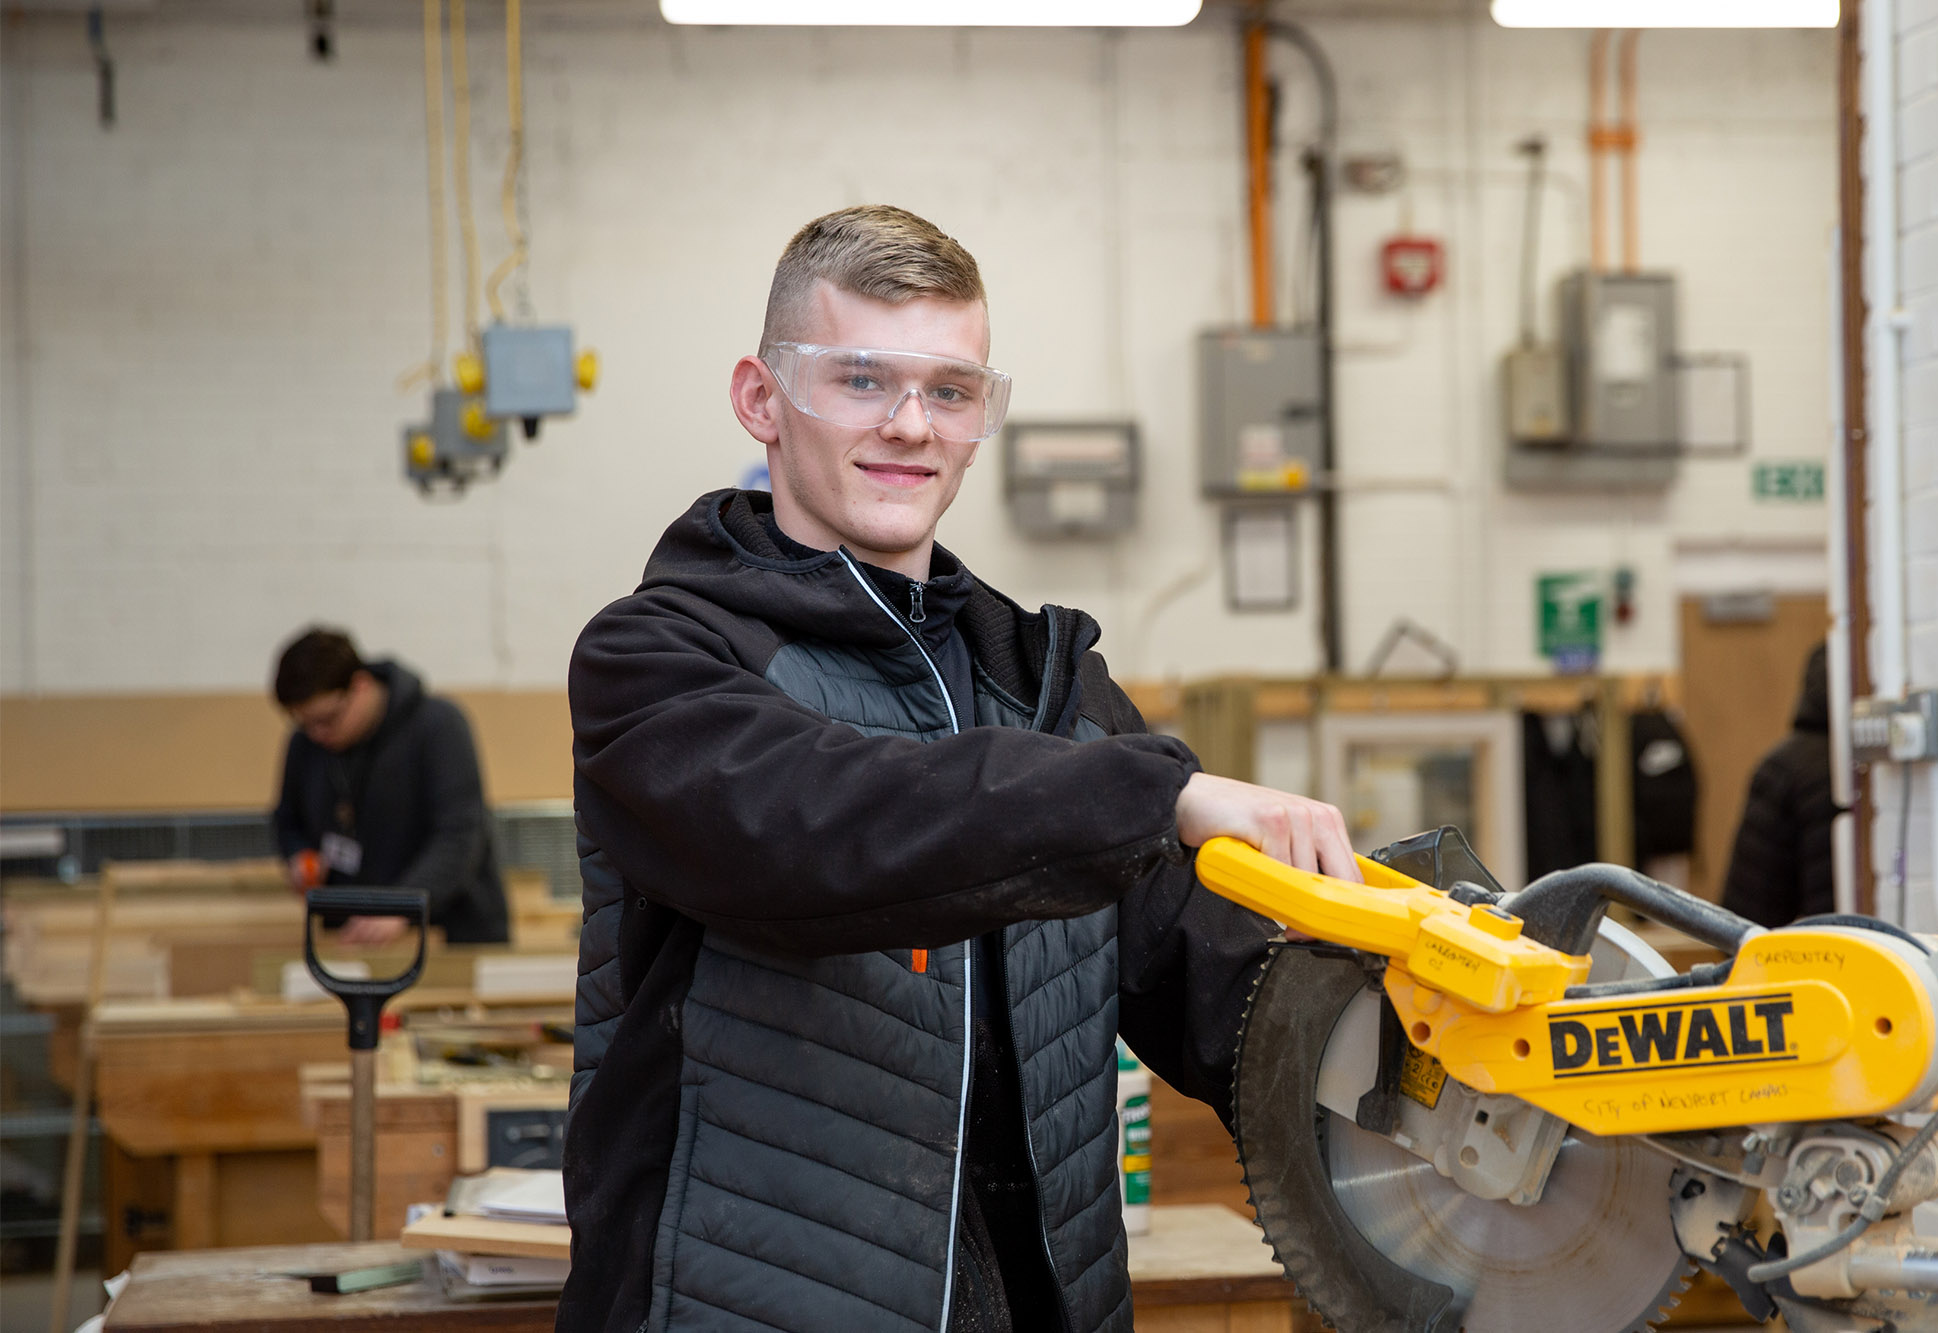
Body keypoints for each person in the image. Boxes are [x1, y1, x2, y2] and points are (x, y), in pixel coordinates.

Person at [560, 205, 1359, 1333]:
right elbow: (826, 829)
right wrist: (1155, 790)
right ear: (759, 399)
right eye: (859, 380)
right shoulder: (659, 660)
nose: (908, 426)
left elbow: (1222, 996)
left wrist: (1441, 1046)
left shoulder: (1046, 686)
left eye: (949, 390)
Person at [270, 626, 510, 945]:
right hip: (355, 940)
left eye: (327, 720)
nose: (318, 734)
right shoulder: (306, 744)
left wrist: (402, 906)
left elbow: (459, 836)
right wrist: (298, 855)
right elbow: (286, 818)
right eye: (304, 723)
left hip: (450, 936)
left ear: (360, 686)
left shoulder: (438, 726)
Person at [1720, 642, 1836, 928]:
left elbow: (1747, 908)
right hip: (1882, 953)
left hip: (1801, 959)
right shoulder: (1876, 769)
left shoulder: (1781, 767)